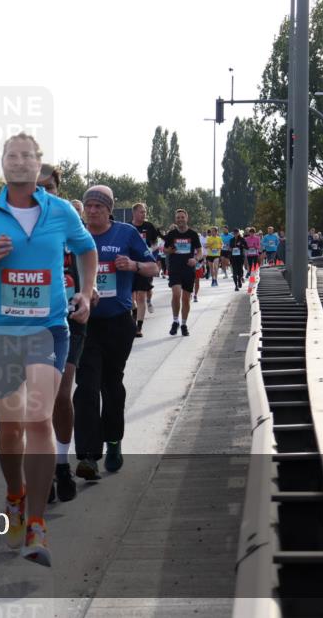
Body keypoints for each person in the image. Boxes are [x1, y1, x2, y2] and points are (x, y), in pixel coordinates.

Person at [0, 133, 97, 567]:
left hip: (49, 328)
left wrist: (86, 293)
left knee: (38, 420)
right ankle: (14, 495)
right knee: (11, 427)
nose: (19, 162)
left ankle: (36, 521)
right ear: (2, 164)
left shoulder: (62, 211)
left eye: (26, 156)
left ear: (39, 165)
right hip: (0, 331)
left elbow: (86, 250)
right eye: (11, 156)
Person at [73, 186, 158, 480]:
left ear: (109, 209)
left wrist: (133, 265)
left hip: (118, 322)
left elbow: (154, 268)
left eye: (99, 206)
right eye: (89, 206)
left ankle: (113, 441)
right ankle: (87, 456)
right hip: (84, 324)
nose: (93, 210)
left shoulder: (125, 234)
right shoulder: (75, 236)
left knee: (111, 385)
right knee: (85, 387)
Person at [37, 164, 82, 502]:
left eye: (48, 186)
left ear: (57, 188)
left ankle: (62, 463)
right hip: (28, 324)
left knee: (61, 394)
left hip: (68, 321)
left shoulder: (68, 222)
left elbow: (89, 261)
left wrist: (88, 291)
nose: (41, 192)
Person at [163, 209, 202, 337]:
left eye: (182, 217)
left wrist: (195, 259)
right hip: (175, 268)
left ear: (187, 218)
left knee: (186, 299)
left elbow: (200, 252)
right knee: (176, 293)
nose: (180, 219)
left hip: (188, 269)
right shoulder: (171, 234)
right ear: (176, 219)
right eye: (178, 218)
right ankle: (175, 321)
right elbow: (165, 249)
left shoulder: (193, 234)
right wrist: (170, 250)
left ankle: (184, 324)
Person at [129, 202, 161, 337]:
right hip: (129, 265)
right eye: (141, 212)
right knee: (130, 297)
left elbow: (156, 243)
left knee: (141, 296)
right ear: (134, 213)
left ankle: (139, 327)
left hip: (145, 266)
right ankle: (134, 311)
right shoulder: (127, 227)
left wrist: (150, 249)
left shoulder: (149, 227)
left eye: (145, 212)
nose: (144, 214)